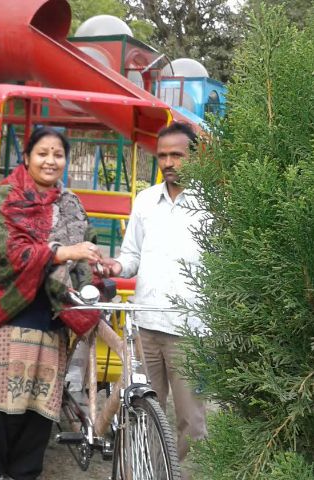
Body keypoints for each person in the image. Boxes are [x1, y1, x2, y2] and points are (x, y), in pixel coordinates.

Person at [0, 126, 103, 480]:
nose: (50, 160)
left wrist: (99, 269)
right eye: (43, 153)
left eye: (58, 154)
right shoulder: (3, 198)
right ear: (26, 157)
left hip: (50, 324)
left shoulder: (70, 205)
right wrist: (62, 252)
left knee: (36, 420)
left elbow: (84, 257)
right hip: (5, 317)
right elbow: (9, 253)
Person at [101, 121, 208, 477]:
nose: (168, 162)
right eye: (162, 155)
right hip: (145, 327)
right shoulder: (146, 200)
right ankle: (142, 473)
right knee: (141, 413)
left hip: (191, 333)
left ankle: (161, 473)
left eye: (176, 154)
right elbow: (131, 256)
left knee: (192, 425)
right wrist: (115, 264)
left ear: (196, 155)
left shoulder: (214, 204)